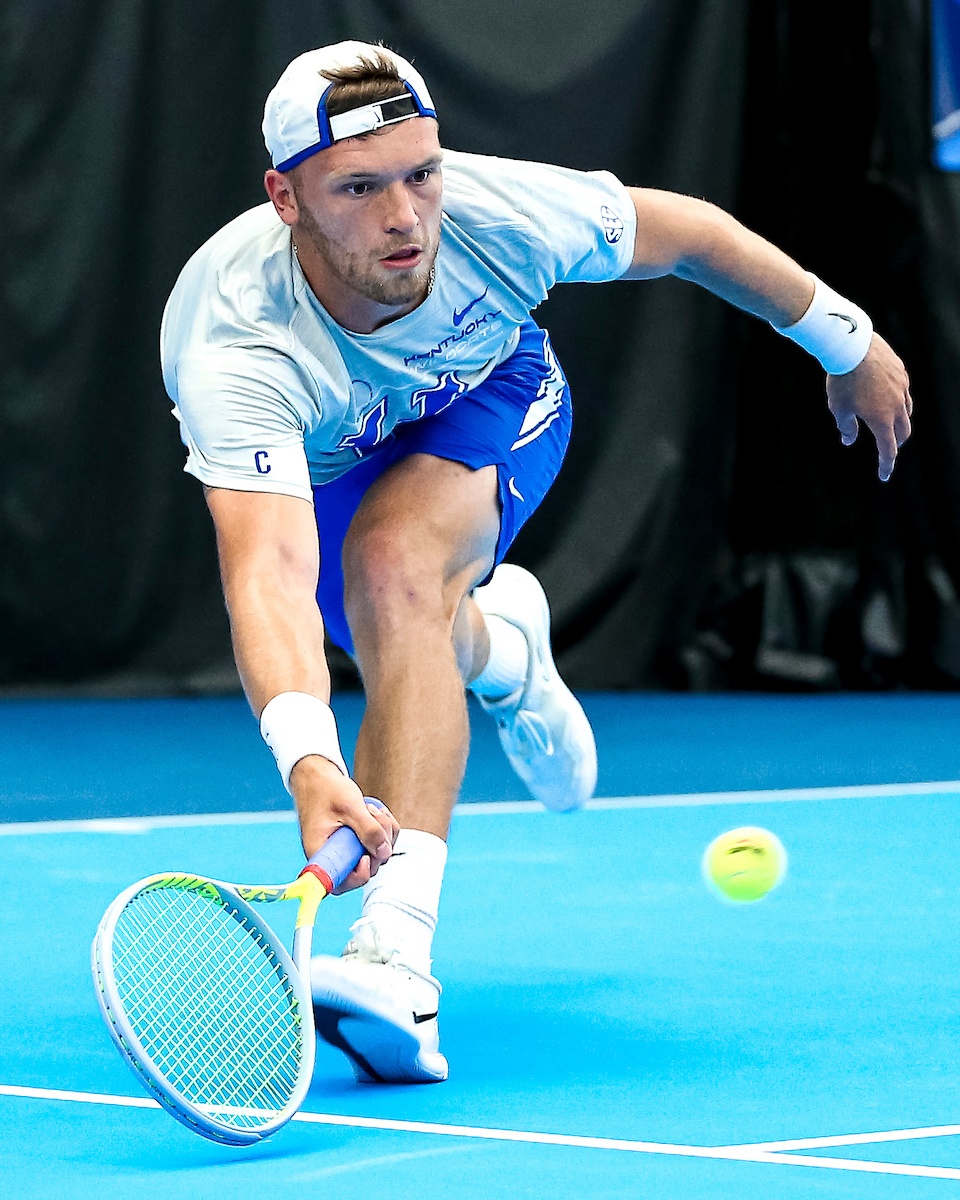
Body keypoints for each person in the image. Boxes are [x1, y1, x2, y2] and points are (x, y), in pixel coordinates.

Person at [161, 41, 912, 1085]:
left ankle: (395, 961)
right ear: (285, 198)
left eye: (422, 173)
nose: (405, 218)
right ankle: (505, 649)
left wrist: (847, 341)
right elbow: (269, 573)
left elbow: (694, 235)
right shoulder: (234, 340)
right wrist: (310, 761)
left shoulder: (501, 214)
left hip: (494, 398)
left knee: (396, 570)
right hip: (326, 461)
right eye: (360, 189)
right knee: (401, 625)